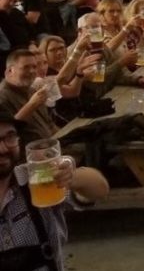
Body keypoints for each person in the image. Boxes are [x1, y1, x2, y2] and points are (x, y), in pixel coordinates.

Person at [0, 111, 110, 271]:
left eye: (9, 137)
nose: (3, 149)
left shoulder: (36, 178)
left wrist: (71, 177)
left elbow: (100, 189)